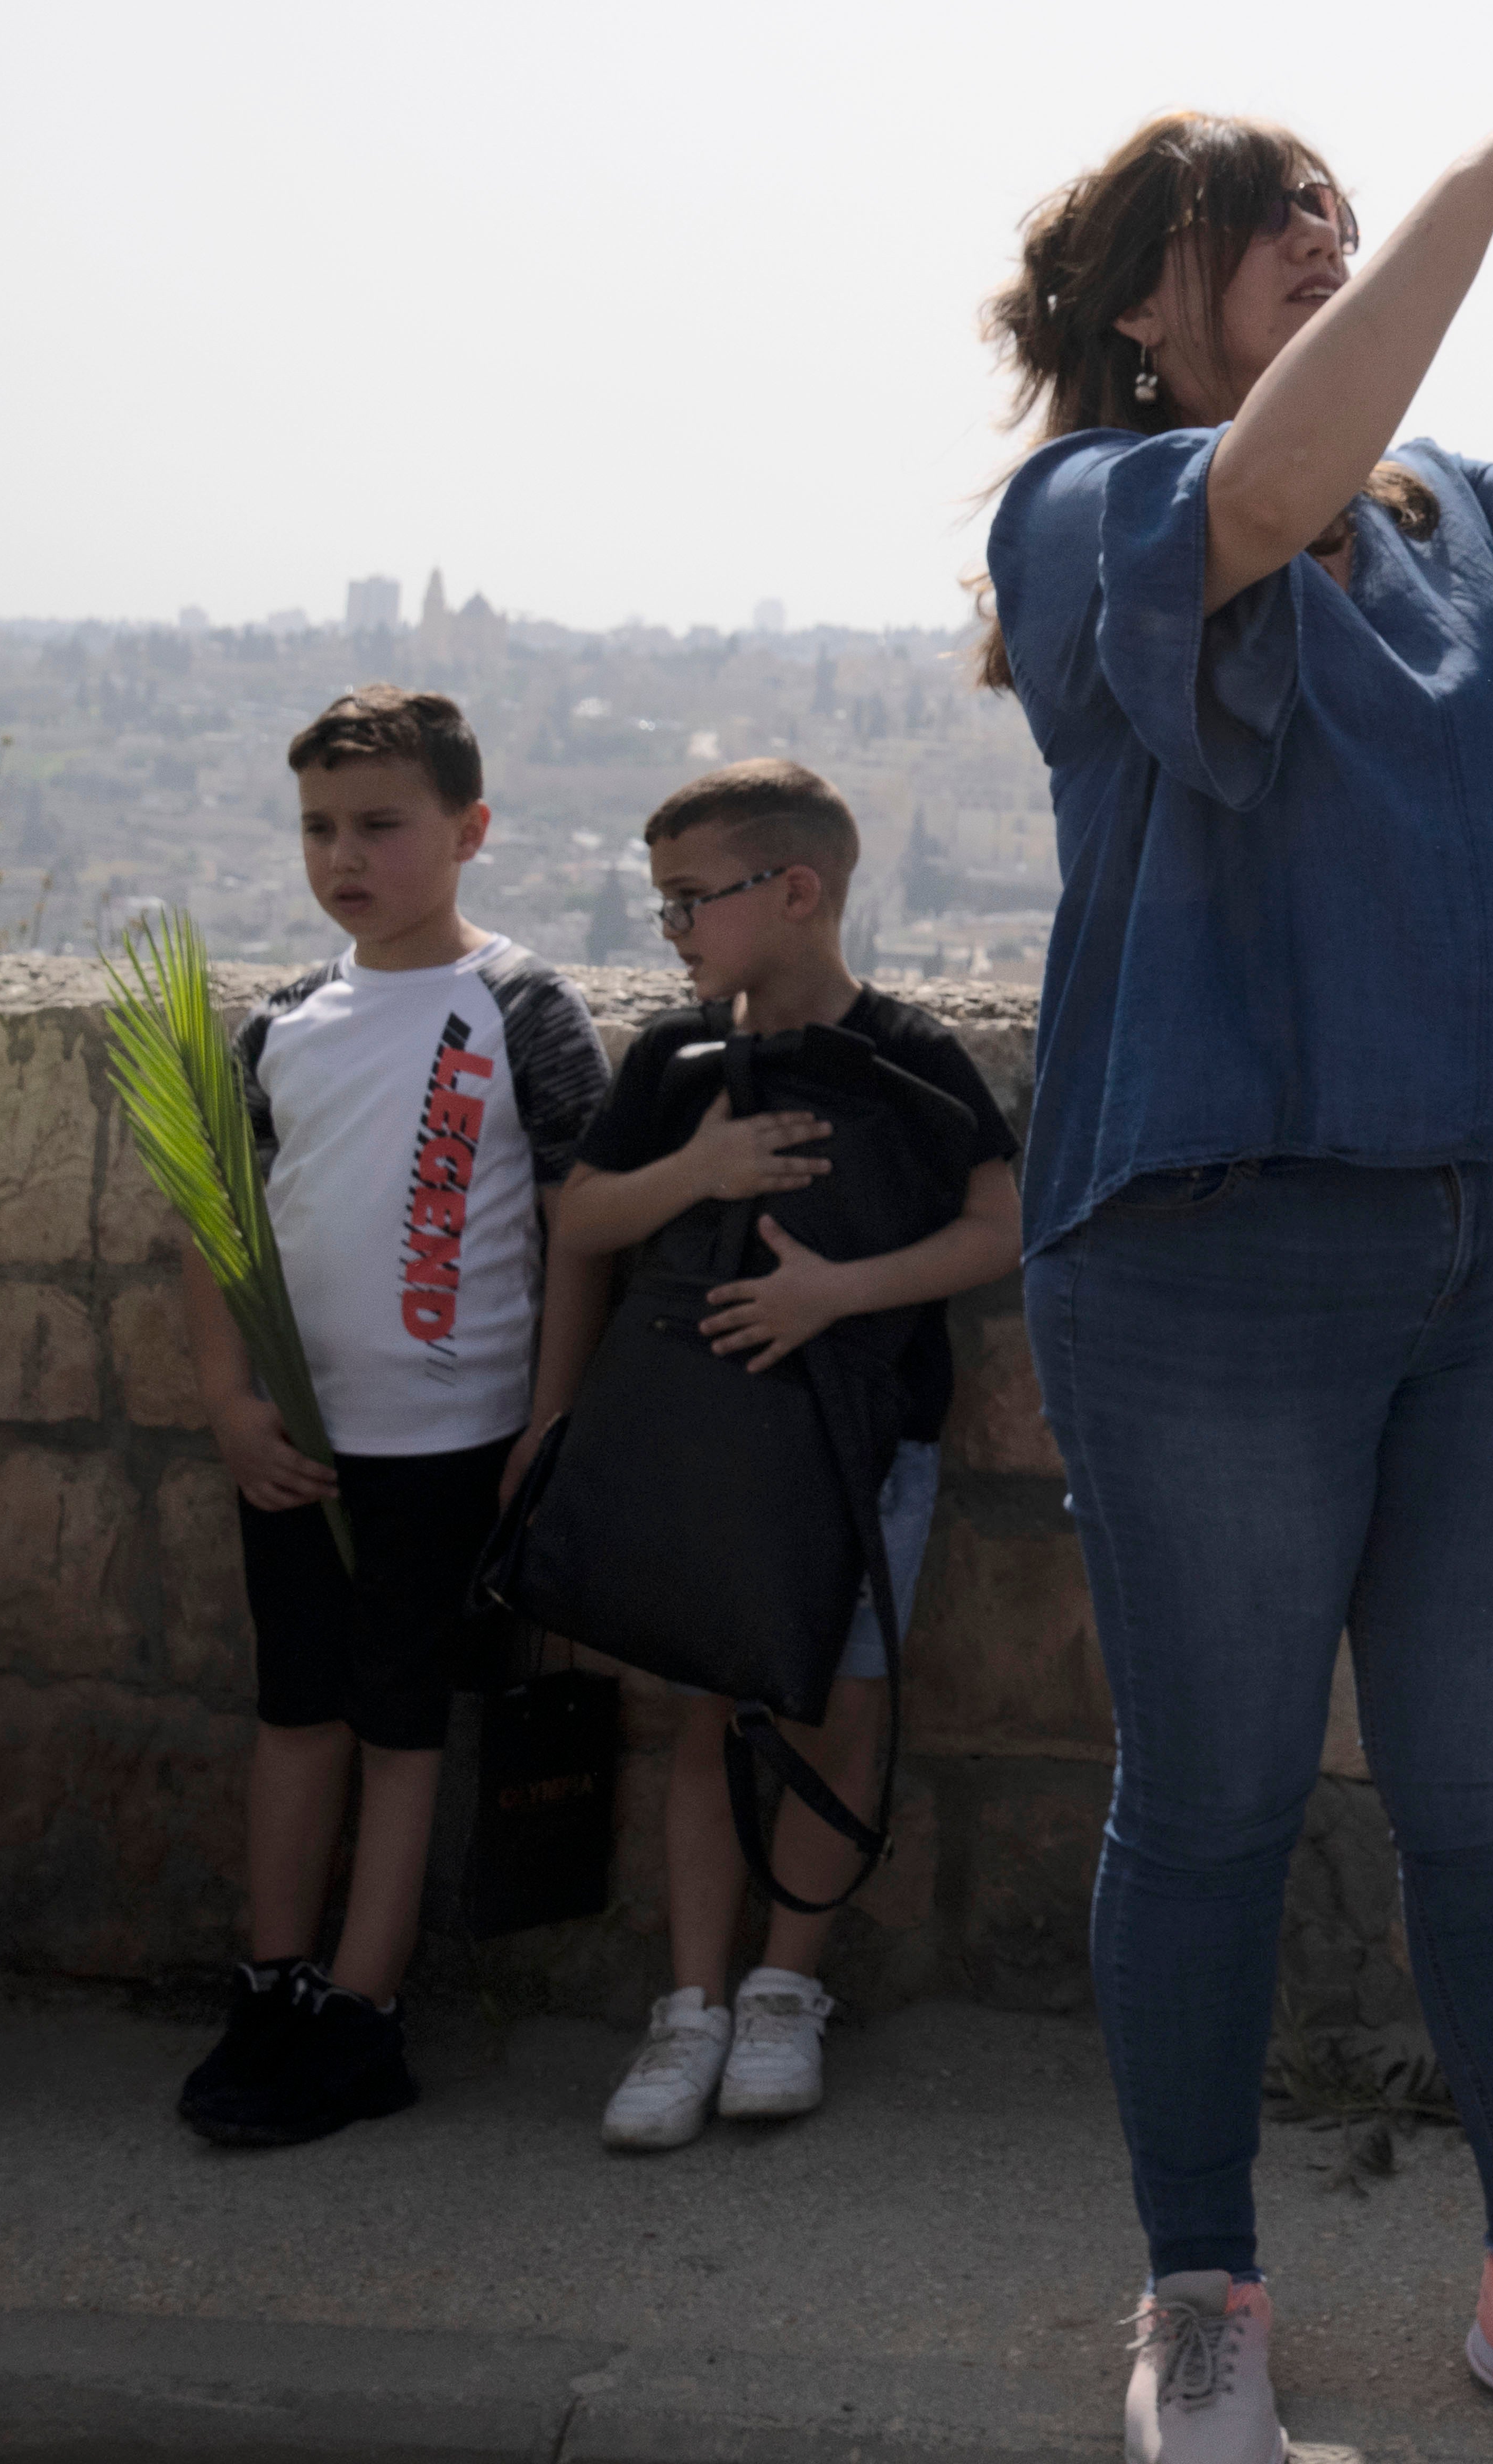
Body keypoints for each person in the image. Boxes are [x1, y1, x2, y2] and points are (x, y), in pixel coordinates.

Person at [978, 0, 1493, 2464]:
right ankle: (1199, 2297)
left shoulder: (1448, 521)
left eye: (1340, 200)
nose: (1321, 231)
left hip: (1466, 1253)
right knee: (1208, 1800)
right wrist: (1488, 175)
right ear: (1143, 294)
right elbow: (1253, 499)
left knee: (1484, 1804)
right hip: (1199, 1258)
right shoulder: (1088, 510)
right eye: (1270, 214)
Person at [548, 761, 1020, 2152]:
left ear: (797, 891)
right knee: (708, 1713)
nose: (679, 931)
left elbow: (997, 1228)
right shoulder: (672, 1063)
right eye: (666, 907)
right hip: (714, 1454)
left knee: (846, 1713)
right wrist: (702, 1170)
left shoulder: (914, 1060)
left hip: (870, 1450)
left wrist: (835, 1294)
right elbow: (582, 1219)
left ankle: (781, 1991)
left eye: (695, 901)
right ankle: (688, 2004)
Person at [174, 688, 610, 2146]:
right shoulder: (281, 1025)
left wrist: (548, 1422)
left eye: (380, 825)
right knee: (296, 1711)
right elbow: (213, 1233)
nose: (344, 857)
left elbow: (579, 1230)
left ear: (469, 832)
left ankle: (365, 2012)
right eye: (318, 829)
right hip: (297, 1444)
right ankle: (276, 1978)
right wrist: (231, 1403)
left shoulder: (524, 1009)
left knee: (404, 1726)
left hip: (453, 1445)